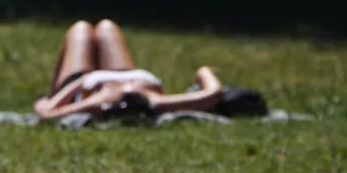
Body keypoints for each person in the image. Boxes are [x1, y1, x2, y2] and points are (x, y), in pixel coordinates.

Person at [33, 19, 224, 120]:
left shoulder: (102, 102)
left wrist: (75, 87)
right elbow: (213, 94)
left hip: (83, 83)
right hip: (127, 74)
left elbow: (48, 113)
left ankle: (60, 86)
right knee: (107, 27)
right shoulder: (157, 102)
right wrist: (204, 72)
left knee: (80, 29)